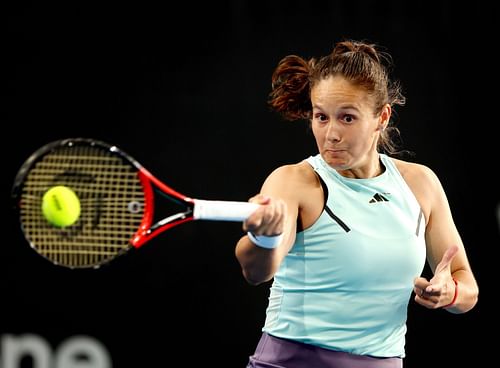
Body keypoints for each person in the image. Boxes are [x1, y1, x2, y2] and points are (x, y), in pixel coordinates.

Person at [235, 39, 479, 368]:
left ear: (381, 116)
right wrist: (264, 238)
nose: (331, 134)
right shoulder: (293, 181)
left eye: (347, 118)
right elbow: (256, 271)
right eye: (321, 117)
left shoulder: (420, 184)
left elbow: (467, 288)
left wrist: (448, 292)